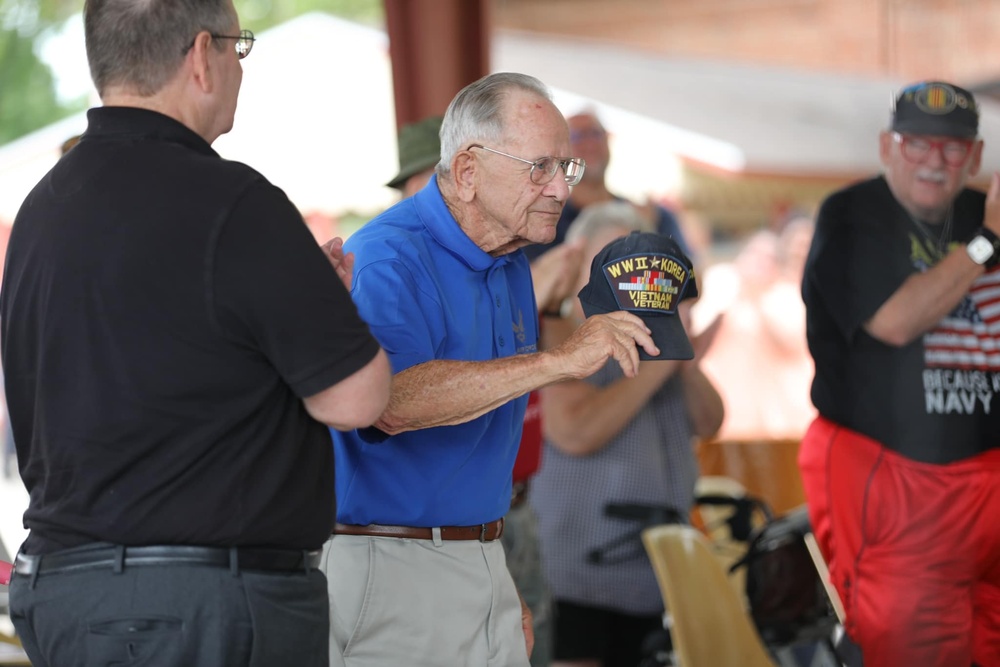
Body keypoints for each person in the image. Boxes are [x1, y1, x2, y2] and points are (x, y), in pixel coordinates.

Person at [0, 1, 392, 665]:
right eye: (239, 49)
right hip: (195, 601)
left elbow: (173, 360)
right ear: (202, 56)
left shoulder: (42, 207)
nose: (239, 69)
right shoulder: (233, 201)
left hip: (70, 590)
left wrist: (302, 305)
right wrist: (327, 305)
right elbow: (357, 399)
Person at [323, 71, 665, 667]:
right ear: (468, 171)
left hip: (475, 554)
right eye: (541, 167)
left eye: (568, 168)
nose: (561, 187)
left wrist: (487, 571)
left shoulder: (506, 256)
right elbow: (394, 402)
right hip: (390, 562)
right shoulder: (386, 255)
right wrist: (558, 361)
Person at [799, 80, 1000, 667]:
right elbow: (893, 320)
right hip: (892, 478)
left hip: (986, 474)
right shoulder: (855, 214)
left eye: (953, 148)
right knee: (909, 647)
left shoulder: (975, 207)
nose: (935, 161)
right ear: (888, 147)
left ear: (977, 157)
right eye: (918, 144)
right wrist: (987, 243)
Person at [530, 202, 724, 667]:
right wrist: (663, 362)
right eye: (614, 263)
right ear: (580, 265)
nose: (631, 281)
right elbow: (574, 431)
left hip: (658, 575)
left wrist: (685, 355)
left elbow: (710, 422)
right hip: (581, 576)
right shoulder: (559, 333)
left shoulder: (660, 336)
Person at [522, 109, 687, 262]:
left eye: (595, 134)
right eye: (577, 136)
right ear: (562, 151)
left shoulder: (653, 216)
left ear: (608, 140)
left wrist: (648, 234)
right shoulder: (547, 219)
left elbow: (693, 284)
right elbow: (531, 284)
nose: (589, 144)